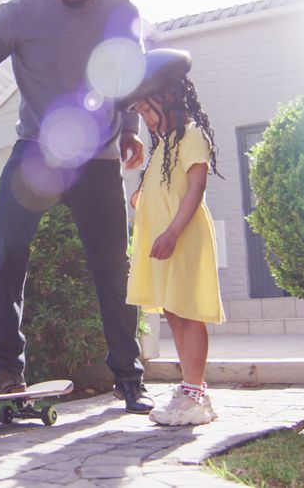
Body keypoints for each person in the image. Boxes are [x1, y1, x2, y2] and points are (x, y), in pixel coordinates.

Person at [0, 0, 154, 413]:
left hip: (96, 158)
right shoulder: (21, 13)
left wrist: (129, 132)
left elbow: (129, 78)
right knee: (3, 253)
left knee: (112, 270)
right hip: (36, 150)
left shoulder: (121, 12)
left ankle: (130, 377)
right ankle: (2, 368)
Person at [121, 48, 226, 426]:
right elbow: (165, 185)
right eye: (142, 115)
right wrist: (142, 196)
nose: (147, 121)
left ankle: (196, 393)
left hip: (182, 236)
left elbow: (195, 189)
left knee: (188, 311)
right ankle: (189, 388)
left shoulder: (192, 134)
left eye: (149, 111)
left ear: (168, 99)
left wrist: (171, 231)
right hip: (167, 239)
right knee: (173, 311)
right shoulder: (163, 145)